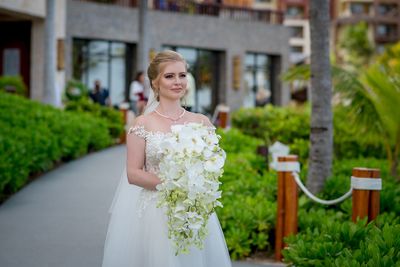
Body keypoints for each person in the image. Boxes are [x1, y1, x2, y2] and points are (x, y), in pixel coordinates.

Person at [102, 50, 232, 267]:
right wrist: (174, 185)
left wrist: (199, 185)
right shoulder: (142, 124)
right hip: (155, 213)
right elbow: (133, 173)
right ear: (155, 82)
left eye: (182, 75)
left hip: (193, 211)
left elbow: (213, 165)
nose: (178, 82)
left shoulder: (202, 122)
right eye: (169, 76)